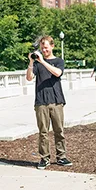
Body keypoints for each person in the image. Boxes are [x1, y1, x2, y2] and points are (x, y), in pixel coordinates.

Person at [26, 36, 72, 170]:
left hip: (56, 100)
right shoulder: (36, 63)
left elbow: (58, 73)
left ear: (52, 46)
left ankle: (61, 157)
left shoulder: (58, 61)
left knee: (59, 130)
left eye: (46, 47)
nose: (44, 50)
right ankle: (44, 158)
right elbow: (29, 78)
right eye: (42, 48)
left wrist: (43, 61)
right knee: (43, 132)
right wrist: (31, 62)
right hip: (41, 101)